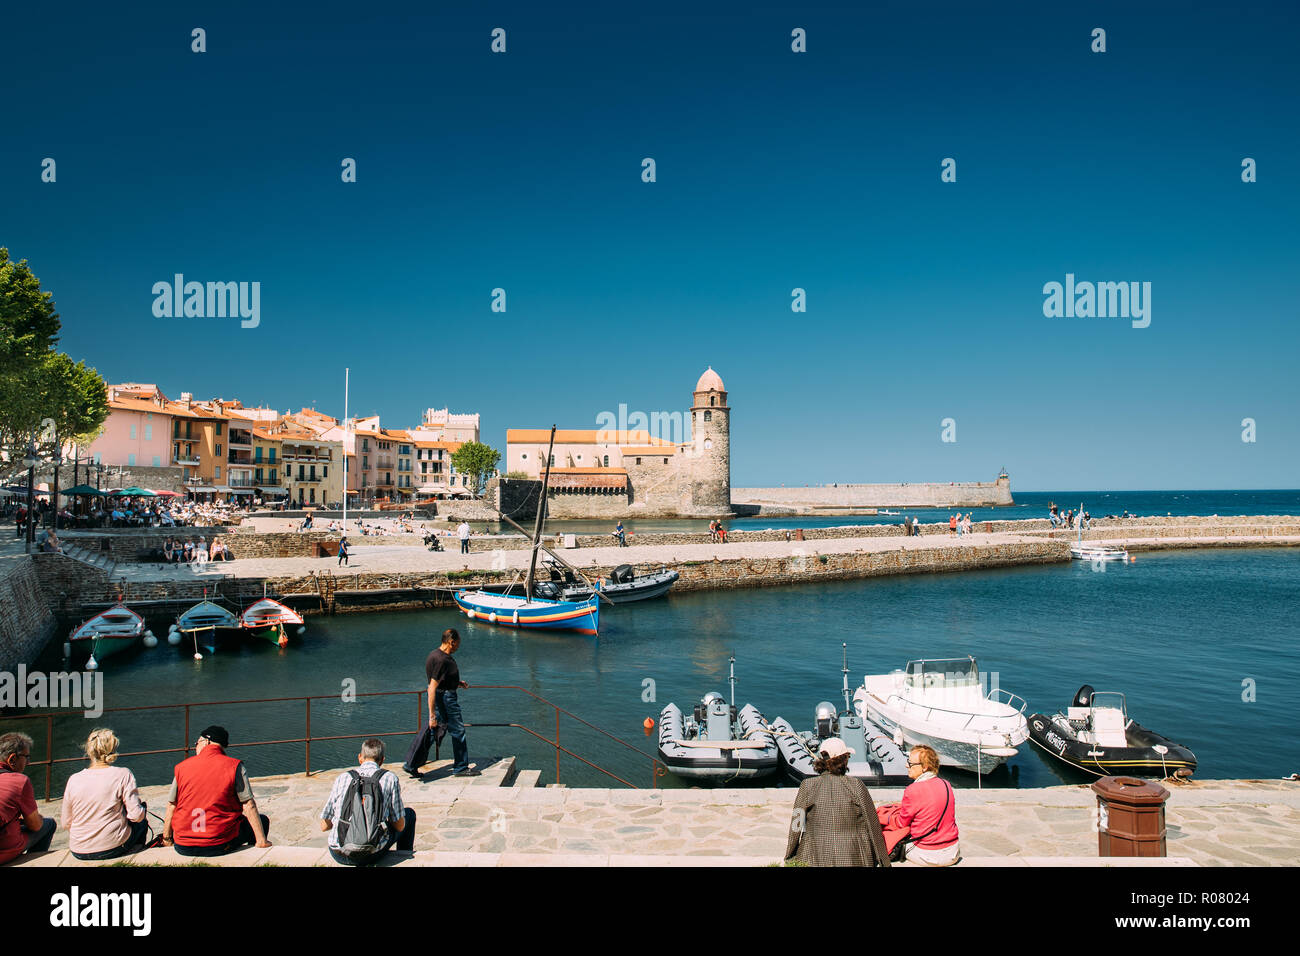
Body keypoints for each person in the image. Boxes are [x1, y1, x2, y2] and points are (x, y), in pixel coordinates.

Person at [161, 725, 272, 856]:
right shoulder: (234, 766)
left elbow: (172, 805)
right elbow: (249, 805)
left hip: (183, 845)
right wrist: (261, 840)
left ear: (206, 741)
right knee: (262, 821)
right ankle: (255, 853)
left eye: (197, 743)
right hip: (218, 844)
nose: (195, 746)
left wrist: (167, 838)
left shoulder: (181, 768)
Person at [784, 738, 890, 867]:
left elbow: (796, 824)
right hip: (854, 855)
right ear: (844, 760)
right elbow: (872, 825)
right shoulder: (856, 785)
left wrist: (790, 856)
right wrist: (884, 862)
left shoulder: (807, 785)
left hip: (814, 855)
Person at [319, 738, 416, 866]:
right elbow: (399, 826)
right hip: (369, 854)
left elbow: (324, 826)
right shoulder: (389, 778)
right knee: (409, 814)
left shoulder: (343, 778)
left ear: (360, 758)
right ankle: (403, 856)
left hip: (338, 852)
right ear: (382, 760)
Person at [60, 729, 149, 861]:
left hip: (78, 849)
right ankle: (137, 856)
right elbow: (136, 815)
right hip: (112, 848)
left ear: (89, 750)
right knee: (141, 822)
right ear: (112, 749)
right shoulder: (123, 774)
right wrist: (142, 809)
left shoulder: (74, 779)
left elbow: (66, 823)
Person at [402, 628, 478, 778]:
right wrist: (431, 715)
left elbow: (439, 681)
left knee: (432, 731)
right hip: (446, 699)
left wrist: (456, 682)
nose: (458, 646)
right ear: (451, 642)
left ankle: (411, 763)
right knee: (458, 731)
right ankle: (461, 767)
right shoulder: (444, 660)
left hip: (442, 696)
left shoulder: (433, 655)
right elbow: (432, 688)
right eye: (457, 643)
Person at [876, 745, 959, 866]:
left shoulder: (913, 789)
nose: (906, 766)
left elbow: (901, 823)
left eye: (910, 763)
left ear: (924, 767)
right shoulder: (946, 784)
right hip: (952, 852)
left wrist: (885, 817)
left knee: (889, 834)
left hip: (927, 854)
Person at [0, 732, 56, 865]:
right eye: (26, 757)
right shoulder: (19, 781)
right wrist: (36, 819)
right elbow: (35, 826)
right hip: (4, 850)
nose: (29, 762)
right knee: (49, 824)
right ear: (12, 759)